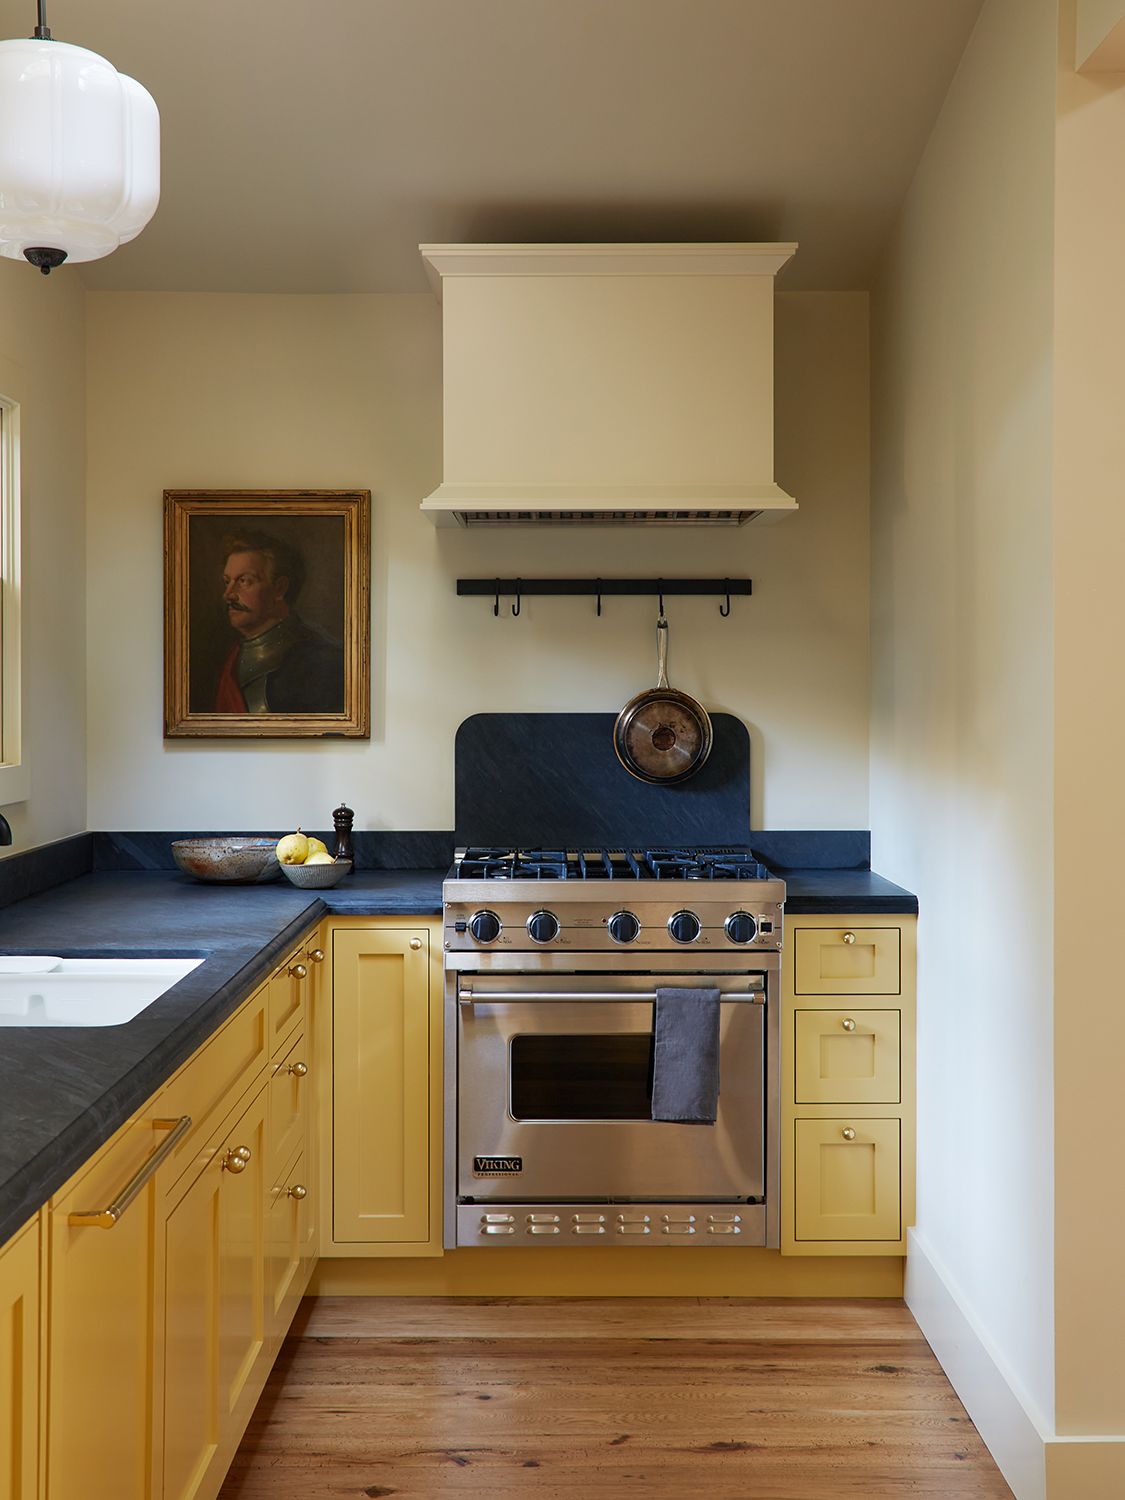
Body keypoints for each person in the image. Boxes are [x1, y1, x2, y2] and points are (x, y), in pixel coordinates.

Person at [213, 530, 345, 713]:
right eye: (227, 582)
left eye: (244, 581)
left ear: (279, 589)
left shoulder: (321, 660)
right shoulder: (231, 659)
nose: (228, 595)